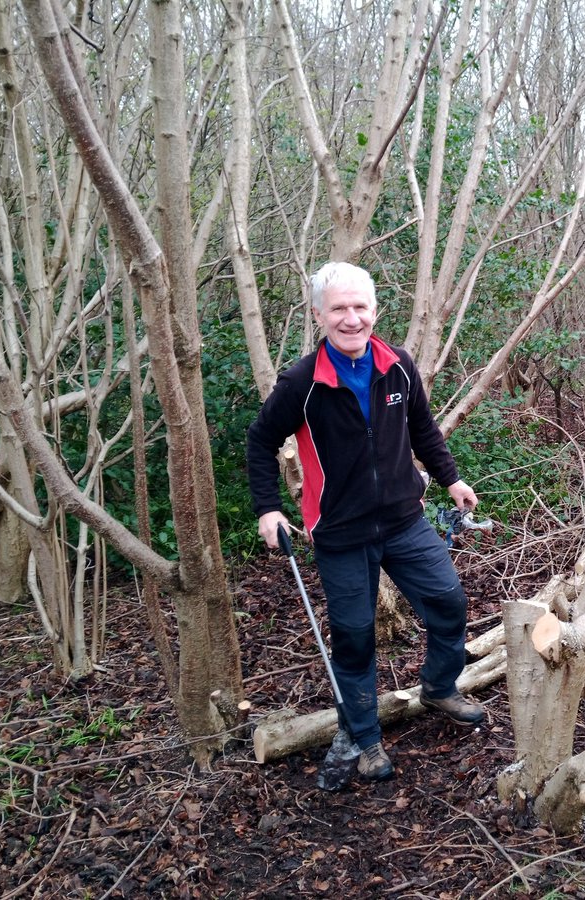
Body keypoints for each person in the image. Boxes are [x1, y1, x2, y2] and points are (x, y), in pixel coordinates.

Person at [246, 261, 484, 785]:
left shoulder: (397, 365)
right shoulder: (302, 382)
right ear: (319, 315)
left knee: (448, 603)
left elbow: (422, 426)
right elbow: (260, 442)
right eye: (339, 309)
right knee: (354, 636)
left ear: (375, 311)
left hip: (404, 520)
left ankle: (439, 687)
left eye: (360, 307)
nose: (351, 319)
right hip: (340, 531)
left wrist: (450, 479)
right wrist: (269, 508)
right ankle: (366, 737)